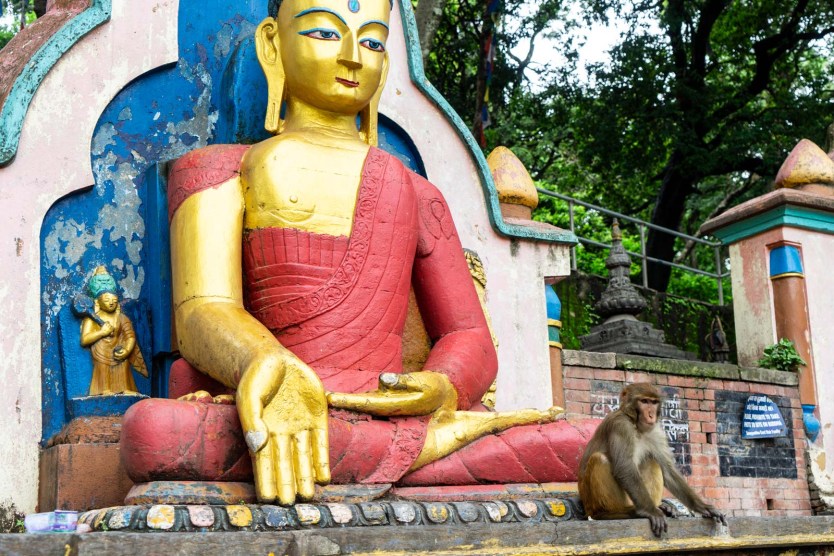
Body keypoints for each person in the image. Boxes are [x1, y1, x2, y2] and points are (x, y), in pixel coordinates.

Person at [121, 0, 594, 505]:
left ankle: (403, 447)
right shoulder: (219, 170)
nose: (352, 57)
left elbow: (468, 335)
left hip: (389, 413)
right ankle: (417, 456)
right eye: (325, 34)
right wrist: (267, 365)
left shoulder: (416, 192)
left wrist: (441, 386)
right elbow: (202, 311)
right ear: (272, 44)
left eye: (371, 42)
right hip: (266, 394)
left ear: (385, 63)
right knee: (153, 433)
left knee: (585, 443)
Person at [80, 266, 147, 396]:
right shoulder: (92, 319)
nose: (111, 303)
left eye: (114, 300)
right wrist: (101, 332)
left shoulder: (121, 318)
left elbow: (130, 336)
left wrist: (127, 349)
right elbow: (84, 340)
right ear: (97, 301)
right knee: (103, 369)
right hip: (101, 352)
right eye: (106, 300)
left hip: (118, 349)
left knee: (123, 364)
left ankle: (125, 388)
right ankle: (103, 389)